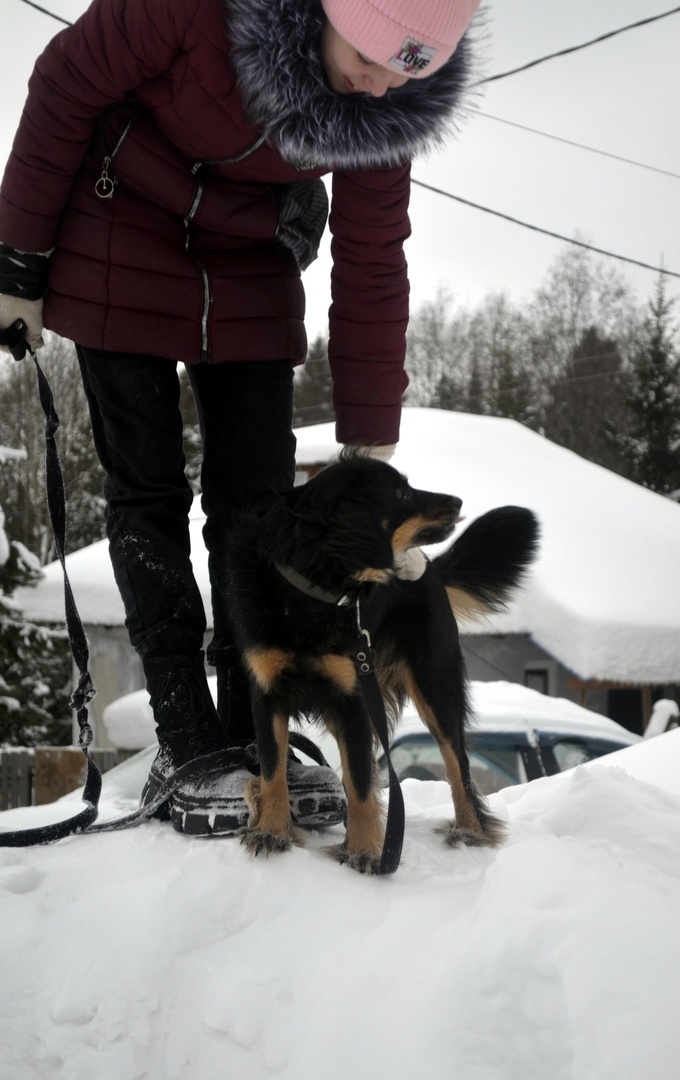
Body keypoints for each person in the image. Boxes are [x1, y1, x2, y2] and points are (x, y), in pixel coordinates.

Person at [0, 0, 482, 836]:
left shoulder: (383, 105)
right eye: (368, 56)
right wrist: (19, 256)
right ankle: (185, 735)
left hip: (251, 257)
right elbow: (64, 79)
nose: (375, 85)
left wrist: (370, 429)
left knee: (258, 506)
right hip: (120, 223)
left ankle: (251, 728)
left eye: (405, 71)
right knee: (147, 486)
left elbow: (373, 256)